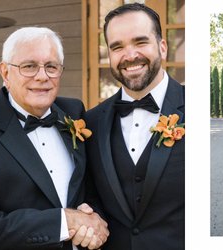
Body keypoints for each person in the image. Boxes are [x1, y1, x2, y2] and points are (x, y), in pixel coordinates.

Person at [0, 27, 109, 250]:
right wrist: (66, 221)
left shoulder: (74, 112)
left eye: (51, 66)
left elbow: (91, 185)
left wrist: (91, 223)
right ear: (5, 72)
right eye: (29, 66)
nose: (42, 76)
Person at [84, 3, 185, 250]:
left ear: (162, 47)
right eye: (117, 47)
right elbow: (88, 194)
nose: (129, 56)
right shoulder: (91, 122)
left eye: (140, 42)